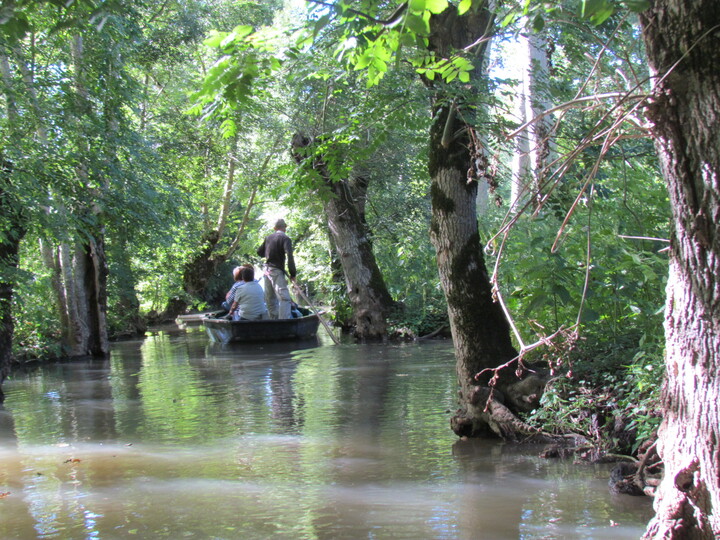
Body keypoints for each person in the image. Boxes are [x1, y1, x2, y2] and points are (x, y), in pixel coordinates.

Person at [256, 218, 296, 319]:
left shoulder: (268, 238)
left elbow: (259, 252)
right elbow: (290, 256)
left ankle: (274, 322)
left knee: (270, 299)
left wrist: (270, 251)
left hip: (266, 271)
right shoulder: (285, 239)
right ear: (285, 228)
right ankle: (284, 322)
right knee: (285, 298)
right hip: (276, 271)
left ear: (274, 228)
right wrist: (293, 274)